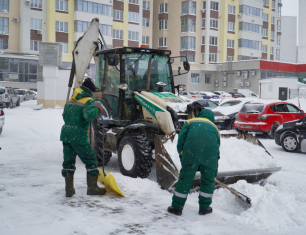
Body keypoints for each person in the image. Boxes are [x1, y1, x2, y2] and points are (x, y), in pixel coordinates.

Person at [167, 109, 220, 216]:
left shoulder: (190, 122)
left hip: (192, 153)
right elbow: (217, 149)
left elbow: (181, 140)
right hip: (210, 156)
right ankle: (204, 208)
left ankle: (177, 208)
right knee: (208, 181)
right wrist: (214, 170)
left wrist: (184, 157)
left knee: (185, 180)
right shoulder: (215, 128)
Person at [60, 77, 106, 197]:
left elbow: (64, 115)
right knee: (91, 161)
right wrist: (98, 109)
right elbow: (87, 115)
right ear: (90, 91)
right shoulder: (89, 100)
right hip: (78, 135)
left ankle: (69, 190)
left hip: (66, 133)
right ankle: (92, 188)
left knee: (68, 162)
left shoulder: (71, 99)